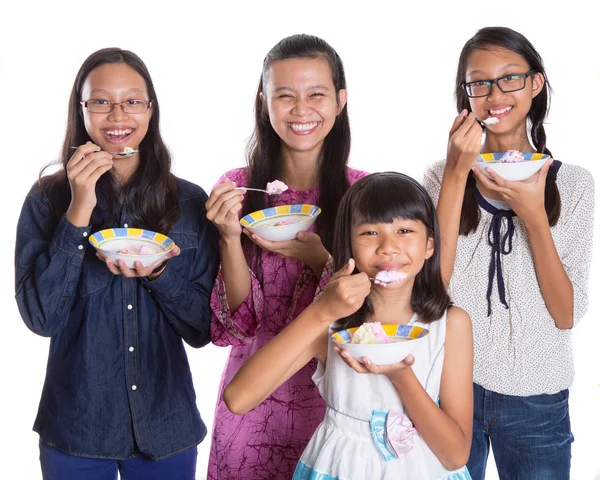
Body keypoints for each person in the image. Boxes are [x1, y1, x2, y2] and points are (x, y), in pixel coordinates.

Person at [14, 48, 219, 480]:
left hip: (167, 429)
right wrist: (78, 209)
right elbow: (41, 318)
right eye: (101, 101)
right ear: (82, 109)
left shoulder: (189, 202)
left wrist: (160, 274)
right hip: (76, 428)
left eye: (132, 101)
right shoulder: (46, 200)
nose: (117, 114)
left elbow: (204, 330)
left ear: (150, 109)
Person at [423, 27, 595, 480]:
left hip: (537, 397)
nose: (494, 94)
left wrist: (534, 218)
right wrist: (459, 174)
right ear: (466, 94)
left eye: (510, 78)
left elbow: (566, 314)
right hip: (450, 387)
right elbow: (430, 290)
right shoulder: (441, 175)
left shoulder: (574, 184)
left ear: (535, 84)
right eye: (479, 82)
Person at [223, 172, 474, 480]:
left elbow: (455, 455)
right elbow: (238, 399)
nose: (388, 247)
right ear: (349, 245)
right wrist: (321, 311)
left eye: (405, 230)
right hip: (337, 467)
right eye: (370, 232)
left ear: (429, 246)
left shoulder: (451, 325)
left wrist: (401, 375)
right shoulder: (330, 320)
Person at [205, 34, 368, 479]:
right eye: (284, 95)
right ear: (264, 103)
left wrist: (321, 260)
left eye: (316, 94)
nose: (301, 110)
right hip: (250, 409)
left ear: (340, 100)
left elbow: (373, 317)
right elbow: (237, 326)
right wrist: (227, 237)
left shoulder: (364, 193)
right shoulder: (237, 187)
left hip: (335, 411)